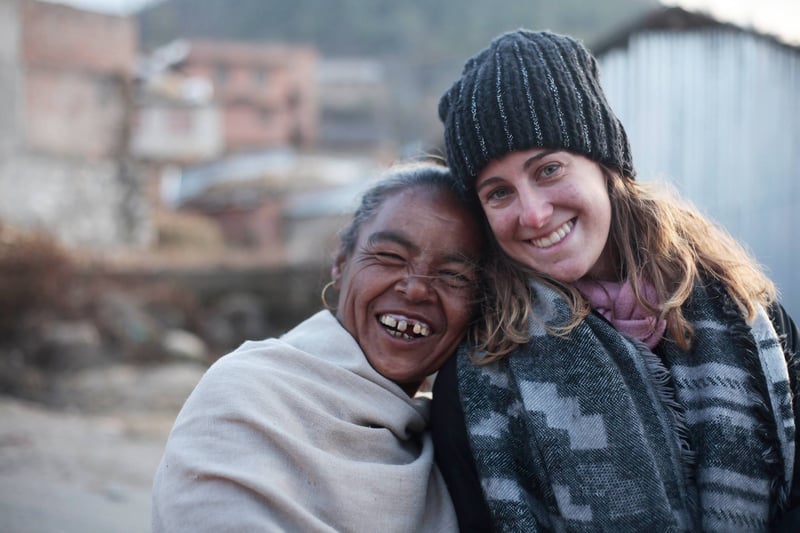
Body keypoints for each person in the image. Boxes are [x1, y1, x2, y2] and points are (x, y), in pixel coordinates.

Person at [432, 29, 800, 532]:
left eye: (549, 170)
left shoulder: (740, 306)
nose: (534, 215)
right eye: (498, 193)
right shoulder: (480, 374)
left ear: (604, 164)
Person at [151, 162, 487, 532]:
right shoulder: (246, 394)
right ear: (341, 264)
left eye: (454, 276)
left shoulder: (454, 446)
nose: (417, 289)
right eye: (390, 257)